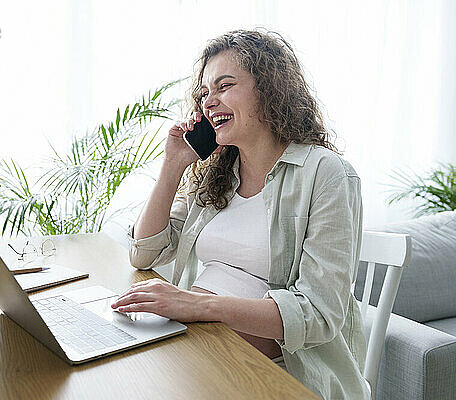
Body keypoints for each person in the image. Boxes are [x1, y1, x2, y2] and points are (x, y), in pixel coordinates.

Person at [110, 29, 369, 400]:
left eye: (224, 86)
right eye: (203, 95)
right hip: (199, 343)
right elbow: (145, 252)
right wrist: (173, 165)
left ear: (269, 87)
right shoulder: (219, 174)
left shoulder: (326, 174)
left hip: (276, 374)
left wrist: (197, 305)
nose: (208, 103)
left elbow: (318, 315)